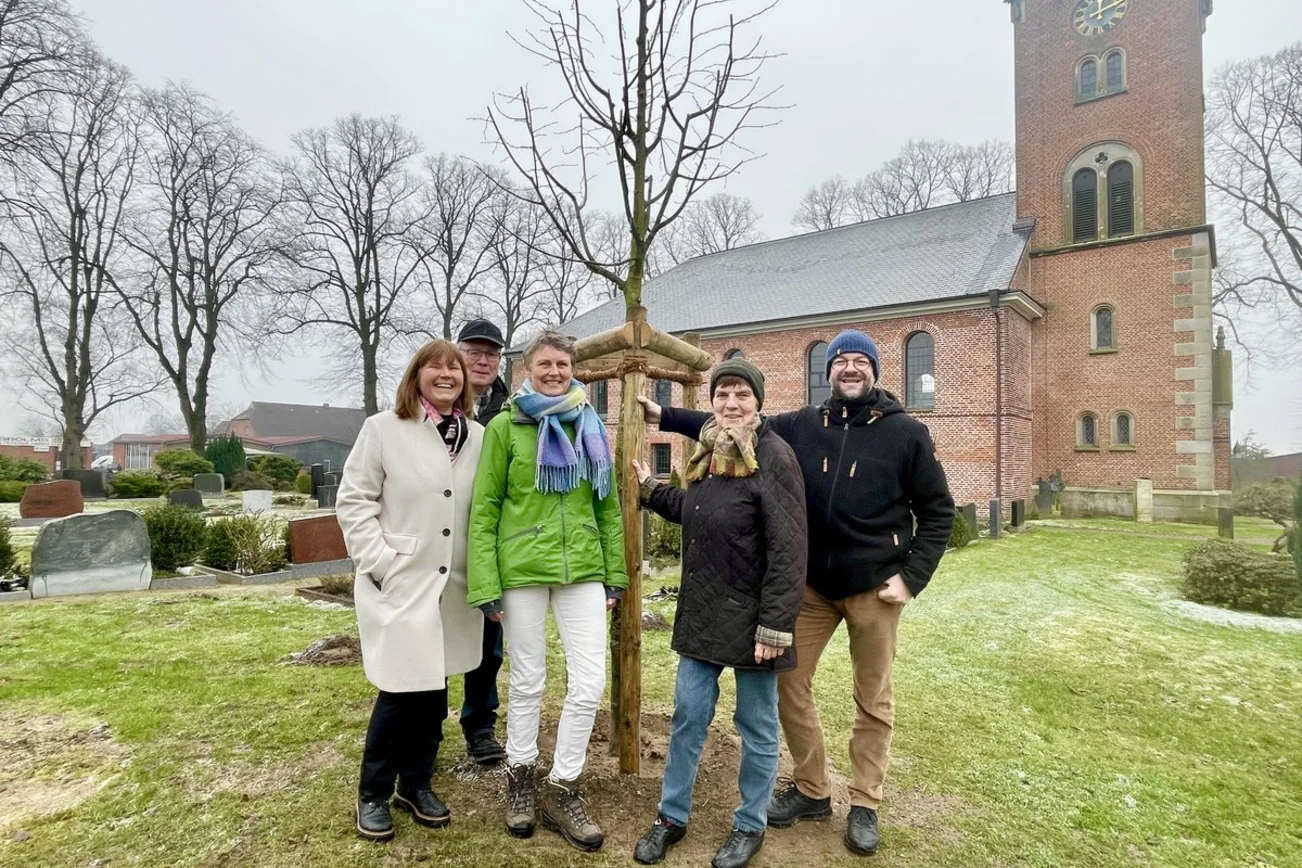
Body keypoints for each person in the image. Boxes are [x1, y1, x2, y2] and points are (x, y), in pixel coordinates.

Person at [641, 330, 954, 857]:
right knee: (790, 687)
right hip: (809, 584)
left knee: (872, 699)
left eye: (860, 361)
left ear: (875, 371)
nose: (850, 369)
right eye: (841, 361)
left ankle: (865, 803)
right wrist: (663, 415)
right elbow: (732, 420)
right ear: (829, 370)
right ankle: (811, 789)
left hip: (873, 585)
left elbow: (939, 511)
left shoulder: (907, 434)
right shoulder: (806, 425)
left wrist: (911, 577)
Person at [630, 358, 808, 868]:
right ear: (712, 401)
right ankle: (671, 816)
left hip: (756, 620)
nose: (732, 404)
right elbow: (697, 511)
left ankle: (750, 824)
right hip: (705, 611)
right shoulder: (709, 451)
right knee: (688, 717)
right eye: (723, 394)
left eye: (742, 395)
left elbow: (789, 548)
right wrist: (650, 492)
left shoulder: (773, 456)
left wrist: (776, 624)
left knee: (756, 727)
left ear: (758, 401)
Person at [467, 329, 627, 852]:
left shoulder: (590, 421)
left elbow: (607, 504)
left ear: (572, 367)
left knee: (589, 681)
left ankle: (563, 784)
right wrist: (486, 582)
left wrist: (615, 573)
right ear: (526, 369)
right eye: (545, 364)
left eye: (562, 363)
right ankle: (519, 775)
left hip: (581, 568)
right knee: (528, 680)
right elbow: (485, 507)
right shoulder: (504, 428)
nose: (554, 371)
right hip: (522, 570)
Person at [337, 339, 486, 842]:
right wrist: (379, 563)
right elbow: (354, 501)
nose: (447, 375)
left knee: (435, 690)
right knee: (401, 691)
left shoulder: (478, 436)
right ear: (416, 375)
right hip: (401, 580)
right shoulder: (382, 429)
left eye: (455, 369)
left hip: (454, 585)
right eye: (435, 368)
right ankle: (373, 793)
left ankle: (415, 783)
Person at [454, 318, 511, 765]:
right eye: (474, 351)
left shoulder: (510, 412)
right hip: (441, 540)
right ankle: (423, 723)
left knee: (488, 643)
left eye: (491, 353)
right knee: (431, 637)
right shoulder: (430, 404)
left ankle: (480, 724)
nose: (483, 360)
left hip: (490, 542)